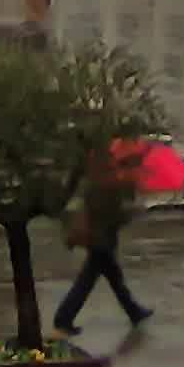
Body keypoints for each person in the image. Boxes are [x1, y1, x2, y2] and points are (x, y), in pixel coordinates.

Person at [49, 140, 155, 334]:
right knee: (90, 282)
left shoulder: (102, 180)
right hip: (101, 241)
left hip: (101, 239)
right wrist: (131, 213)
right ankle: (63, 318)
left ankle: (134, 311)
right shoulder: (106, 184)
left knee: (110, 279)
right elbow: (110, 216)